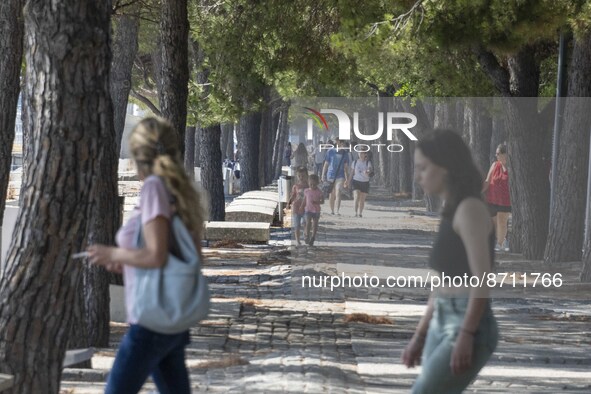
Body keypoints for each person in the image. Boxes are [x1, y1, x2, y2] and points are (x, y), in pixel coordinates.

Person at [87, 117, 204, 394]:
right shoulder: (180, 191)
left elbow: (156, 256)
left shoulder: (154, 188)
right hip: (171, 317)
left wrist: (114, 252)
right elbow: (191, 255)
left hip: (150, 320)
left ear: (137, 154)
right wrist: (126, 259)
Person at [402, 129, 498, 393]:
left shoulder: (470, 209)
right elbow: (443, 284)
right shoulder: (452, 210)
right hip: (444, 316)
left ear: (444, 167)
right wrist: (419, 336)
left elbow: (482, 280)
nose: (417, 176)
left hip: (468, 322)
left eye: (423, 168)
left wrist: (467, 333)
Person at [483, 144, 511, 252]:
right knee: (494, 223)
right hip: (492, 199)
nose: (496, 155)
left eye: (498, 153)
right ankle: (501, 241)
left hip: (505, 201)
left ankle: (500, 244)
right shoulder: (494, 165)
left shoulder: (510, 167)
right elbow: (487, 181)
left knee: (502, 222)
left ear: (505, 154)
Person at [321, 139, 350, 215]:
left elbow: (346, 167)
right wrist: (322, 175)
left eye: (344, 143)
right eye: (342, 143)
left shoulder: (345, 153)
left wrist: (347, 178)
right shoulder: (330, 151)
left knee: (338, 192)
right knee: (332, 193)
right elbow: (326, 164)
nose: (343, 145)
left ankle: (337, 210)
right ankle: (332, 210)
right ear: (338, 143)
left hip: (340, 175)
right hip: (330, 175)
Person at [345, 151, 373, 217]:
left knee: (362, 199)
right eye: (359, 153)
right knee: (356, 196)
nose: (360, 154)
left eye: (362, 153)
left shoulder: (368, 162)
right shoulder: (355, 162)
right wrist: (348, 181)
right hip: (356, 181)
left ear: (365, 154)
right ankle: (355, 212)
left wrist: (367, 171)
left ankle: (360, 213)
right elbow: (352, 173)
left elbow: (370, 169)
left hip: (365, 182)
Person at [288, 167, 309, 245]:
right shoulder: (295, 186)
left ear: (307, 175)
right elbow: (293, 195)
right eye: (299, 176)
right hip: (296, 208)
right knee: (297, 225)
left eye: (303, 176)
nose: (301, 178)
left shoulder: (309, 186)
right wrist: (289, 203)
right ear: (297, 176)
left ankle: (305, 235)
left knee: (305, 223)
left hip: (306, 208)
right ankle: (298, 240)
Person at [304, 174, 324, 246]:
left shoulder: (319, 192)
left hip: (316, 211)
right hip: (308, 210)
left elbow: (323, 201)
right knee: (308, 223)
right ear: (308, 183)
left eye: (314, 184)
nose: (312, 186)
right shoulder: (306, 191)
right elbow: (304, 200)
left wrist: (317, 202)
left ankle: (313, 237)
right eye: (311, 184)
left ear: (317, 184)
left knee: (315, 224)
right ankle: (307, 235)